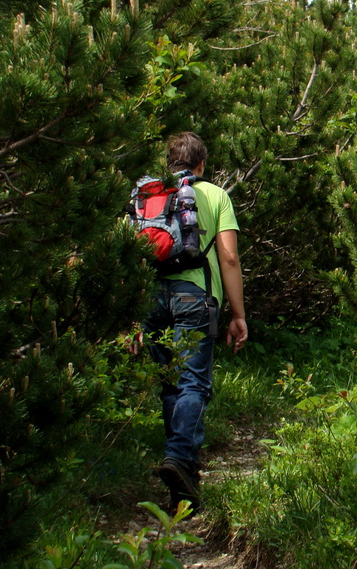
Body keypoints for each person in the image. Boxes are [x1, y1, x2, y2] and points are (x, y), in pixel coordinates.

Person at [135, 132, 248, 511]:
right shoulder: (216, 195)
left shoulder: (150, 195)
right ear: (202, 163)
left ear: (170, 162)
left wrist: (130, 315)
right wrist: (238, 314)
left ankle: (181, 479)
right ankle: (180, 458)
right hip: (195, 297)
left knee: (170, 384)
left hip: (151, 298)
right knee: (194, 382)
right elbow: (229, 258)